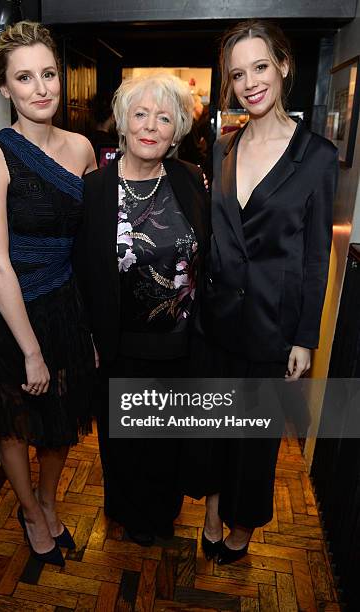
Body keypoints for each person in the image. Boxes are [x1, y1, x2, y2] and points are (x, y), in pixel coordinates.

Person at [195, 20, 338, 564]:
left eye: (260, 66)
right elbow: (215, 235)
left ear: (282, 65)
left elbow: (314, 254)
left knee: (253, 442)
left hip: (272, 329)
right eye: (237, 74)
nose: (250, 82)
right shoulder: (222, 146)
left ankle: (241, 523)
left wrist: (304, 337)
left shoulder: (317, 156)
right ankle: (210, 508)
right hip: (215, 322)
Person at [0, 20, 97, 566]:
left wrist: (90, 328)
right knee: (16, 424)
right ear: (5, 87)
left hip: (65, 305)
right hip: (7, 316)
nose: (41, 87)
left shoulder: (84, 148)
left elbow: (91, 250)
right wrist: (31, 350)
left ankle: (48, 499)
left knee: (63, 421)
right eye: (25, 77)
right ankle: (28, 510)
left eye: (48, 74)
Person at [74, 73, 210, 546]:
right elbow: (80, 269)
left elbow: (208, 256)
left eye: (164, 117)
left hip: (179, 346)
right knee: (122, 442)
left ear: (176, 133)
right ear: (122, 123)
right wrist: (87, 335)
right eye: (141, 114)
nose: (151, 126)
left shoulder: (192, 180)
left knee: (167, 443)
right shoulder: (93, 189)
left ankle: (161, 513)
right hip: (118, 347)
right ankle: (127, 512)